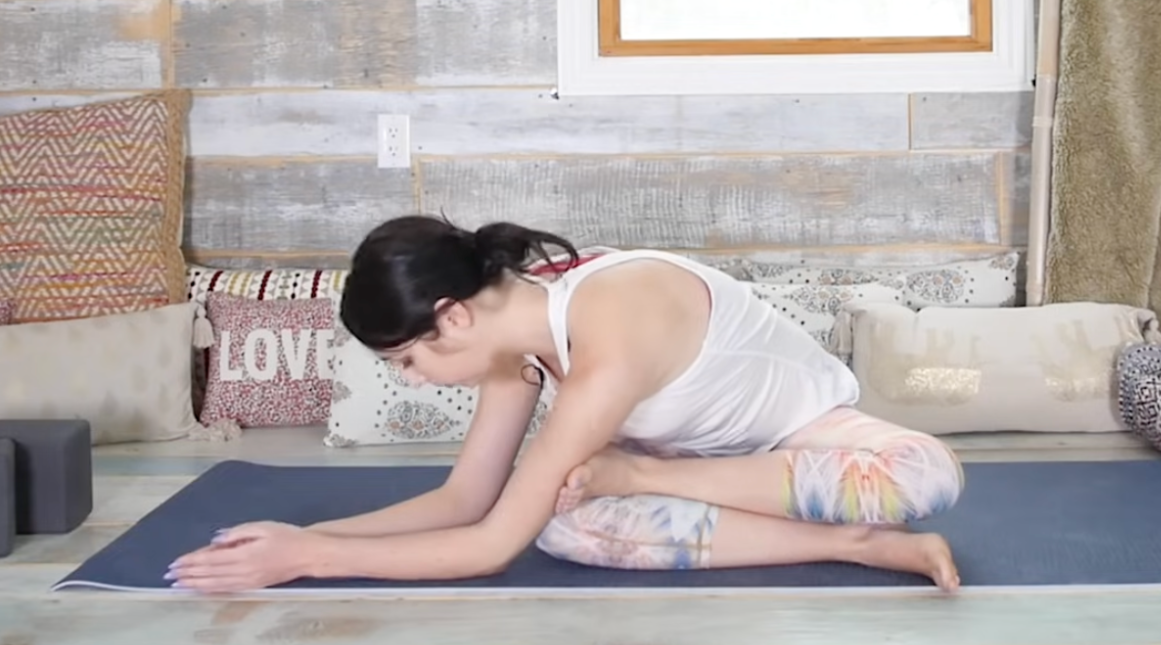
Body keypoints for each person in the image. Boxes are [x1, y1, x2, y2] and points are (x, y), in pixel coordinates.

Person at [167, 216, 965, 593]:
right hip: (707, 471)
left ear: (452, 316)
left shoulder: (611, 318)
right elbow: (468, 500)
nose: (412, 379)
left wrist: (307, 560)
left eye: (407, 360)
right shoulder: (516, 347)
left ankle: (656, 484)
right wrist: (303, 534)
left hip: (806, 440)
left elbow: (487, 549)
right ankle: (861, 544)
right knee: (566, 522)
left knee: (926, 476)